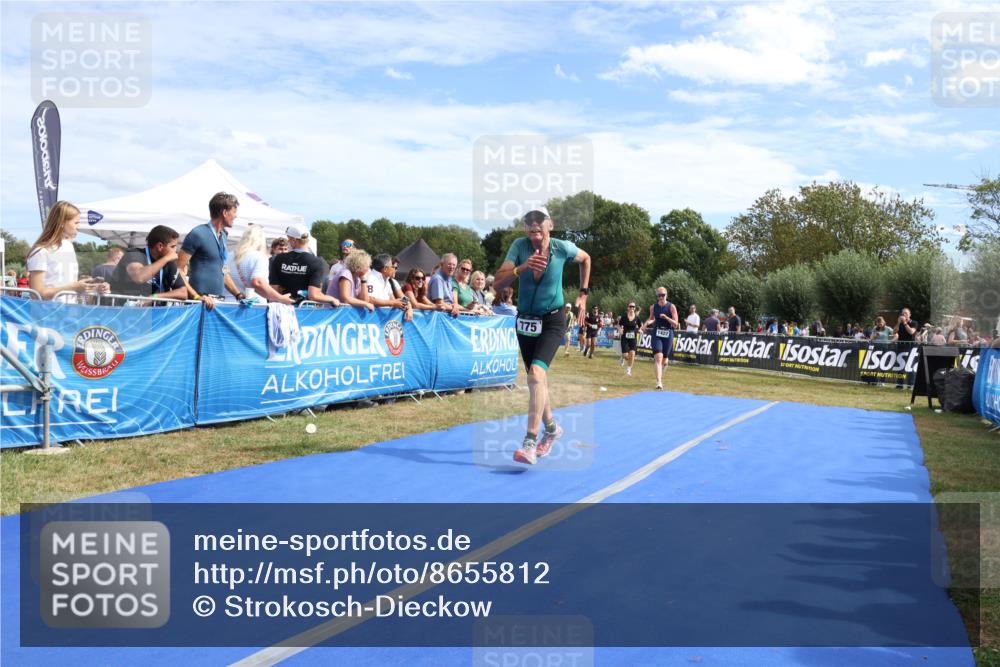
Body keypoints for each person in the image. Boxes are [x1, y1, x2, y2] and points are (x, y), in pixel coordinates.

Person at [494, 206, 591, 465]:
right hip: (525, 320)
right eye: (530, 230)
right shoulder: (519, 246)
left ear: (550, 225)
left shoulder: (562, 248)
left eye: (539, 230)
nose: (535, 235)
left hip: (552, 319)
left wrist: (583, 293)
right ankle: (552, 430)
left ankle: (529, 442)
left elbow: (586, 259)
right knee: (536, 379)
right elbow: (497, 284)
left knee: (536, 374)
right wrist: (521, 268)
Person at [176, 192, 243, 310]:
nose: (236, 216)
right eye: (234, 211)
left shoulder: (224, 236)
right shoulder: (198, 233)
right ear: (225, 212)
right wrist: (196, 297)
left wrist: (239, 295)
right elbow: (178, 270)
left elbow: (224, 272)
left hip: (217, 302)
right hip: (199, 303)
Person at [26, 201, 104, 300]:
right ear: (62, 223)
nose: (79, 227)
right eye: (76, 222)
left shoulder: (69, 247)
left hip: (69, 312)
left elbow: (67, 285)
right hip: (47, 314)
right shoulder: (41, 251)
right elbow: (36, 294)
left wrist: (94, 287)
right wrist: (73, 287)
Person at [109, 225, 189, 300]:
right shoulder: (134, 254)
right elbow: (139, 277)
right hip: (125, 311)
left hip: (154, 313)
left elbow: (183, 292)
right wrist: (166, 258)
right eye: (172, 247)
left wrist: (155, 296)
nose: (175, 250)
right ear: (160, 246)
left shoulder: (169, 263)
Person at [269, 223, 340, 307]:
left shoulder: (279, 259)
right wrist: (333, 299)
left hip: (283, 307)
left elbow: (274, 290)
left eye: (289, 239)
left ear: (294, 240)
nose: (288, 242)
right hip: (306, 310)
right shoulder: (317, 262)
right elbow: (314, 295)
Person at [229, 225, 294, 304]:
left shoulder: (229, 256)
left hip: (227, 304)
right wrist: (280, 298)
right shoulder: (259, 257)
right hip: (253, 306)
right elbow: (258, 282)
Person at [643, 286, 679, 390]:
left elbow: (676, 324)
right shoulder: (653, 307)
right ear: (657, 296)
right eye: (659, 295)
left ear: (666, 295)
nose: (661, 297)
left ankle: (664, 366)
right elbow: (651, 319)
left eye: (663, 295)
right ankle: (659, 382)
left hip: (668, 333)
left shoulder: (671, 307)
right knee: (658, 357)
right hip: (657, 333)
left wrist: (667, 318)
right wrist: (645, 325)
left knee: (664, 360)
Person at [366, 254, 412, 320]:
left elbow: (397, 298)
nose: (395, 270)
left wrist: (409, 307)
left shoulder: (387, 280)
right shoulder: (371, 278)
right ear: (385, 269)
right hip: (371, 319)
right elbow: (370, 299)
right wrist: (394, 303)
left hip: (381, 319)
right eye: (392, 267)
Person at [427, 253, 460, 317]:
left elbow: (451, 300)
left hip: (446, 316)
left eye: (454, 265)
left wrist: (455, 305)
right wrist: (454, 309)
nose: (452, 267)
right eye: (449, 264)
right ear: (442, 265)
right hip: (437, 317)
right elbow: (439, 303)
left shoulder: (449, 278)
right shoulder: (438, 279)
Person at [619, 302, 642, 377]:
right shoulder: (624, 317)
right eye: (630, 306)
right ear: (628, 308)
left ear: (635, 308)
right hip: (625, 337)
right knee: (626, 355)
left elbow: (640, 326)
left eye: (633, 307)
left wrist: (640, 330)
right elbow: (619, 325)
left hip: (633, 338)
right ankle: (623, 357)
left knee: (632, 353)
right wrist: (620, 329)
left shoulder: (637, 318)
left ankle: (629, 369)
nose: (632, 308)